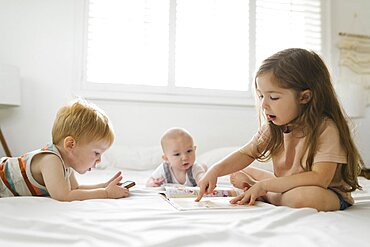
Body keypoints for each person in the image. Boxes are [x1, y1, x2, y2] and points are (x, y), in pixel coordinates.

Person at [195, 48, 363, 211]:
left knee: (302, 198)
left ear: (304, 97)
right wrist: (215, 170)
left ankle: (265, 194)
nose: (264, 105)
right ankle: (264, 189)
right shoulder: (275, 127)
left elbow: (320, 178)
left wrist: (265, 186)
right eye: (261, 96)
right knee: (237, 172)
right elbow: (246, 154)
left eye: (273, 97)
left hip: (326, 192)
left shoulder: (326, 128)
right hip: (287, 183)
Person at [0, 99, 129, 201]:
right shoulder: (51, 160)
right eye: (96, 153)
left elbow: (76, 189)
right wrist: (106, 193)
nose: (99, 159)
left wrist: (104, 185)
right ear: (71, 145)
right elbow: (64, 195)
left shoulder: (65, 163)